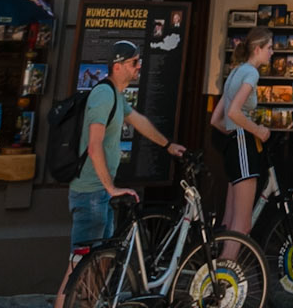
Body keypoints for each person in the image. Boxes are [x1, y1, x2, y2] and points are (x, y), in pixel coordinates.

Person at [58, 39, 185, 307]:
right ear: (118, 66)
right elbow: (94, 146)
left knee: (98, 265)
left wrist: (167, 145)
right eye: (134, 63)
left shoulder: (115, 95)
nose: (139, 67)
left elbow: (138, 121)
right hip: (91, 193)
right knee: (78, 267)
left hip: (100, 195)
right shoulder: (103, 95)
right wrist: (111, 188)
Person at [210, 27, 272, 256]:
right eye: (269, 48)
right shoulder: (252, 74)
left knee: (229, 219)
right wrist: (257, 131)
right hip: (244, 145)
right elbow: (235, 112)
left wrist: (234, 134)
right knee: (242, 223)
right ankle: (226, 278)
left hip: (232, 147)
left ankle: (219, 271)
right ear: (257, 49)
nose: (272, 53)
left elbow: (216, 119)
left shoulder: (235, 72)